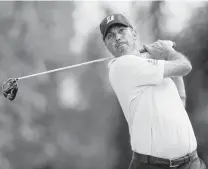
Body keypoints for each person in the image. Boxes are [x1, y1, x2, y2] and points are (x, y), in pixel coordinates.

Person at [99, 13, 207, 169]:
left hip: (191, 163)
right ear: (107, 45)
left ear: (134, 34)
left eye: (121, 31)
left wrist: (165, 57)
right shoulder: (121, 66)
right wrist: (168, 51)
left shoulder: (150, 66)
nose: (117, 37)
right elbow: (185, 66)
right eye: (110, 36)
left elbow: (180, 100)